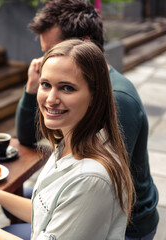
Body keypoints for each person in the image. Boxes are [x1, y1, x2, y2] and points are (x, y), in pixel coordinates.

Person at [0, 39, 135, 239]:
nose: (51, 99)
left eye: (67, 88)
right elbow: (47, 212)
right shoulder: (71, 141)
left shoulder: (90, 180)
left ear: (95, 96)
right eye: (45, 85)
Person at [15, 0, 159, 239]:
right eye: (44, 52)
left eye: (54, 49)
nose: (46, 60)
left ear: (84, 46)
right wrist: (32, 88)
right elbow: (28, 137)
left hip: (127, 225)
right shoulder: (69, 103)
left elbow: (96, 184)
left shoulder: (117, 99)